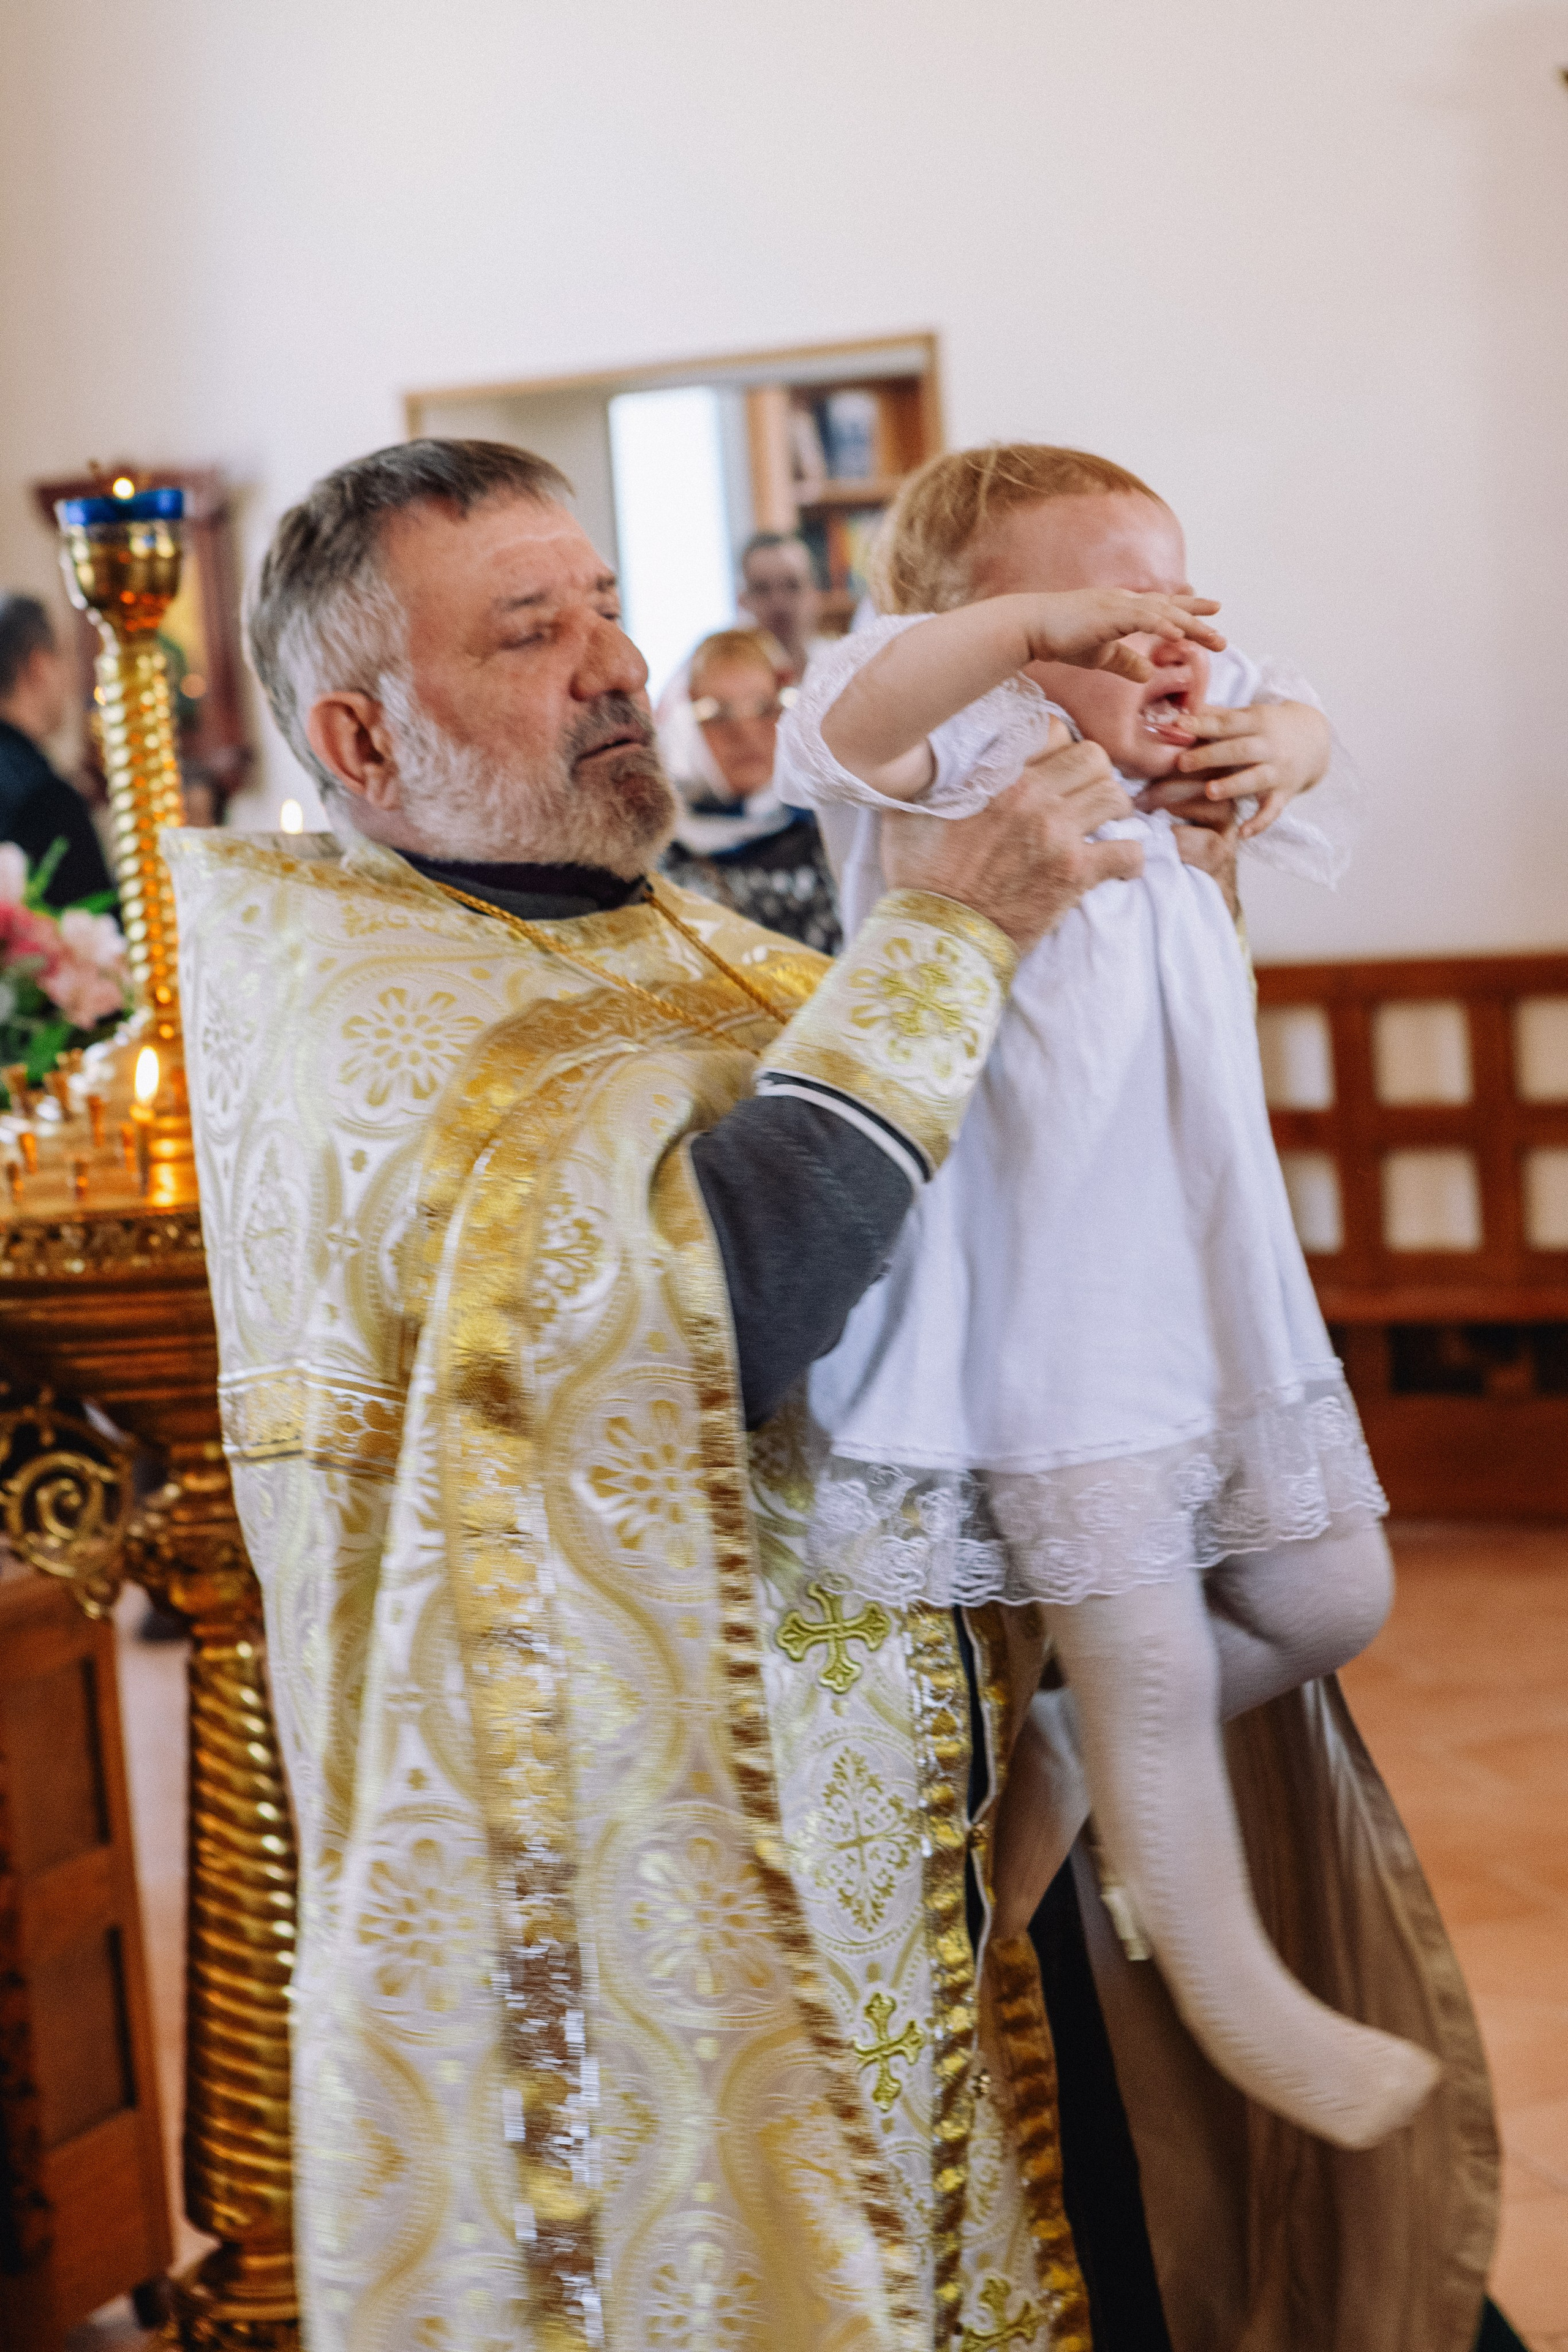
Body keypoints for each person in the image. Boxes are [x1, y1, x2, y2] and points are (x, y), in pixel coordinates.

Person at [167, 438, 1493, 2352]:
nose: (613, 662)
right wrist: (954, 930)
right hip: (680, 1924)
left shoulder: (683, 937)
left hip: (936, 1850)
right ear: (363, 747)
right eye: (534, 631)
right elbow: (724, 1311)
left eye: (606, 604)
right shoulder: (361, 1021)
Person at [777, 443, 1444, 2153]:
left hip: (1203, 1281)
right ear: (977, 626)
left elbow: (1304, 720)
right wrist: (1021, 634)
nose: (1158, 643)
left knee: (1330, 1591)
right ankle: (1252, 2010)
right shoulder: (952, 756)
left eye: (1172, 600)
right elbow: (852, 716)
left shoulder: (1185, 748)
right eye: (1100, 610)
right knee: (1147, 1641)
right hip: (1039, 1305)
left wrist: (1265, 757)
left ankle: (1057, 1752)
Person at [659, 626, 841, 951]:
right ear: (684, 726)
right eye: (716, 713)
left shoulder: (832, 830)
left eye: (764, 707)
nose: (744, 732)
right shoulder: (657, 855)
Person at [0, 594, 115, 909]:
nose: (69, 678)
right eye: (61, 658)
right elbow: (100, 932)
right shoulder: (46, 798)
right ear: (38, 666)